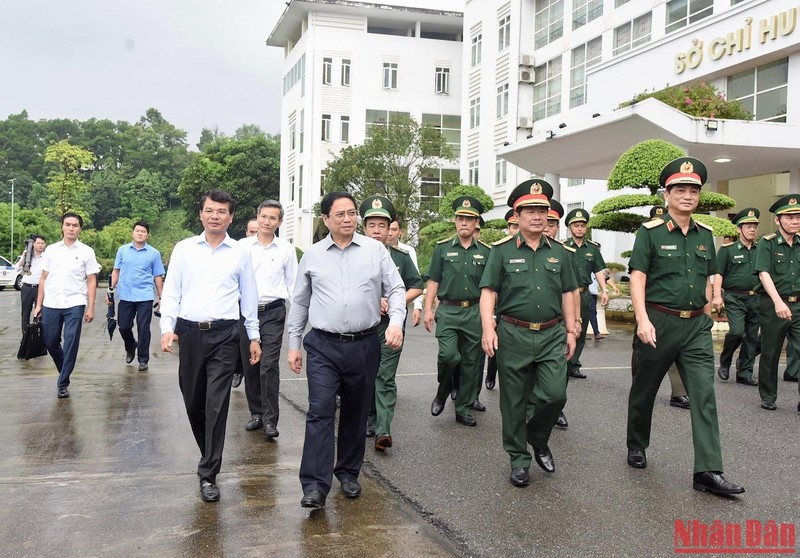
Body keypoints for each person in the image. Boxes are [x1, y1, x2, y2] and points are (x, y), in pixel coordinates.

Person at [626, 156, 744, 496]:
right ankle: (637, 442)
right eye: (681, 189)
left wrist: (710, 307)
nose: (688, 195)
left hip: (695, 327)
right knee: (644, 389)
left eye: (693, 190)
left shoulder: (706, 235)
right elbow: (638, 277)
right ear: (667, 194)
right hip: (659, 321)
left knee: (703, 396)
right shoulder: (648, 233)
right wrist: (643, 320)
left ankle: (707, 470)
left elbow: (709, 277)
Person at [286, 192, 405, 509]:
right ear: (326, 219)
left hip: (365, 344)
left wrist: (395, 322)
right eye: (340, 214)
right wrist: (294, 344)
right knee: (320, 410)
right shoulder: (312, 256)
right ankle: (314, 484)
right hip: (323, 345)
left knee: (355, 412)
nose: (348, 219)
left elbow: (396, 289)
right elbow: (300, 301)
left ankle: (349, 472)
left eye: (352, 213)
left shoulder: (375, 250)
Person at [160, 189, 261, 503]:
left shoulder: (240, 252)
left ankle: (208, 473)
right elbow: (172, 291)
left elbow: (250, 296)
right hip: (189, 335)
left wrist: (253, 336)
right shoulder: (185, 249)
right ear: (201, 213)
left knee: (217, 403)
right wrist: (167, 328)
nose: (215, 216)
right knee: (193, 401)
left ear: (231, 217)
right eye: (209, 210)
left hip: (226, 336)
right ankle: (209, 452)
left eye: (222, 211)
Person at [479, 179, 577, 487]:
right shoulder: (502, 251)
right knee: (513, 401)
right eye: (529, 210)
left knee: (554, 395)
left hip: (551, 334)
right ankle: (518, 459)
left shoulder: (560, 253)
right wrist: (487, 328)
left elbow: (568, 292)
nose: (537, 216)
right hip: (513, 333)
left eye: (542, 210)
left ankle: (537, 437)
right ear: (517, 216)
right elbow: (488, 292)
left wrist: (572, 330)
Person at [361, 196, 423, 451]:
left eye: (382, 225)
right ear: (363, 228)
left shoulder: (401, 256)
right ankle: (370, 417)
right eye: (371, 225)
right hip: (362, 327)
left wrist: (396, 299)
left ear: (390, 229)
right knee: (366, 375)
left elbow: (417, 286)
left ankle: (383, 431)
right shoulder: (352, 256)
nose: (376, 231)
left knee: (385, 376)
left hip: (392, 326)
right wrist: (374, 300)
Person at [424, 196, 491, 426]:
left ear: (476, 224)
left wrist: (489, 319)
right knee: (449, 356)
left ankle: (462, 408)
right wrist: (428, 310)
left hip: (474, 311)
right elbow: (433, 281)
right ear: (455, 221)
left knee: (472, 363)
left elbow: (491, 287)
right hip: (449, 311)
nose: (464, 222)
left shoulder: (486, 252)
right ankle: (442, 392)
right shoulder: (442, 249)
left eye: (469, 219)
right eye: (461, 218)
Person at [237, 200, 298, 438]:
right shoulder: (242, 247)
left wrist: (296, 320)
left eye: (273, 218)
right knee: (250, 363)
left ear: (280, 222)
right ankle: (257, 413)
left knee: (269, 365)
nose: (267, 222)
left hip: (274, 312)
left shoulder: (286, 250)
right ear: (258, 217)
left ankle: (271, 420)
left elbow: (293, 285)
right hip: (246, 312)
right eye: (264, 217)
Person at [34, 214, 101, 399]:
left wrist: (91, 307)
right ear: (62, 227)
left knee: (71, 341)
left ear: (80, 229)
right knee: (50, 340)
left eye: (75, 225)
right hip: (51, 303)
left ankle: (63, 383)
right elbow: (43, 278)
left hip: (75, 303)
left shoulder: (87, 251)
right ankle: (65, 368)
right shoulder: (51, 250)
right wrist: (38, 304)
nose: (71, 228)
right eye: (68, 225)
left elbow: (91, 280)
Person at [630, 206, 691, 410]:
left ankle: (679, 392)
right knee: (642, 349)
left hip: (669, 307)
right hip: (647, 305)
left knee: (673, 351)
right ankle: (640, 383)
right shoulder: (647, 236)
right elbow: (637, 275)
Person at [753, 194, 800, 412]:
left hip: (798, 304)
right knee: (771, 351)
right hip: (773, 305)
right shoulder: (767, 243)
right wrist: (778, 302)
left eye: (798, 216)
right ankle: (769, 395)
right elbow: (763, 273)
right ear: (778, 220)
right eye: (789, 217)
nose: (795, 221)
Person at [542, 198, 580, 429]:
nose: (547, 226)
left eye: (552, 223)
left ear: (558, 227)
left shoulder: (565, 253)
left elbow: (572, 290)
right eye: (545, 221)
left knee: (560, 369)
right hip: (532, 323)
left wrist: (575, 321)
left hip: (558, 322)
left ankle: (555, 409)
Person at [108, 221, 165, 371]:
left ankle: (143, 359)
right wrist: (110, 289)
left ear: (147, 234)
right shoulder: (122, 250)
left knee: (144, 328)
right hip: (125, 295)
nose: (140, 233)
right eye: (137, 230)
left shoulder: (154, 253)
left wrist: (161, 297)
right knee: (124, 326)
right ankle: (131, 345)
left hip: (144, 296)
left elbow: (158, 276)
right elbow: (116, 271)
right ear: (132, 233)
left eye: (143, 231)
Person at [713, 208, 760, 386]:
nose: (752, 230)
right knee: (737, 332)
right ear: (738, 229)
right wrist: (717, 296)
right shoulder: (727, 250)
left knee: (751, 337)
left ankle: (745, 372)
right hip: (735, 298)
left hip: (756, 298)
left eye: (755, 226)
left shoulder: (761, 249)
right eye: (748, 226)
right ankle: (725, 361)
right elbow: (718, 274)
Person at [564, 208, 609, 379]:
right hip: (567, 294)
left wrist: (604, 289)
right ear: (570, 228)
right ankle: (562, 363)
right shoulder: (564, 247)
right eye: (576, 225)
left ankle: (574, 364)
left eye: (582, 225)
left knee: (581, 330)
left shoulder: (593, 248)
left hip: (584, 294)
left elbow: (598, 271)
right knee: (566, 328)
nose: (580, 228)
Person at [232, 218, 260, 389]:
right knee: (239, 342)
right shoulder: (239, 248)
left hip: (266, 307)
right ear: (246, 232)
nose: (254, 234)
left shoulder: (277, 249)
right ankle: (238, 369)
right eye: (251, 231)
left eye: (257, 231)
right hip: (240, 305)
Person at [387, 220, 422, 328]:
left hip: (399, 303)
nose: (390, 233)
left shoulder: (407, 251)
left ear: (400, 232)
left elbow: (415, 281)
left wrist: (417, 306)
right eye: (388, 229)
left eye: (394, 230)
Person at [20, 234, 46, 334]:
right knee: (25, 313)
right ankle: (25, 337)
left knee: (40, 313)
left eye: (42, 243)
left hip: (40, 288)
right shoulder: (28, 256)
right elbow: (18, 267)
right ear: (33, 244)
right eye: (38, 243)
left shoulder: (46, 257)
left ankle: (39, 337)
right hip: (27, 287)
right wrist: (25, 255)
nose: (40, 245)